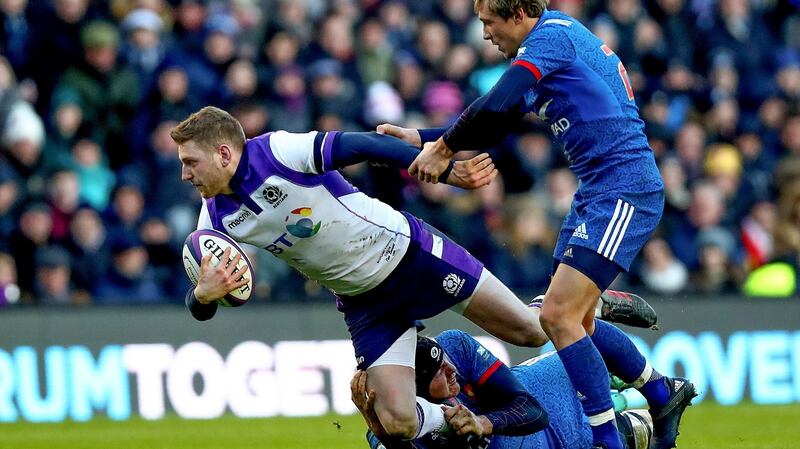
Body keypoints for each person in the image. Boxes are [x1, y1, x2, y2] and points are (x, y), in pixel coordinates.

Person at [173, 106, 658, 447]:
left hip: (408, 254)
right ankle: (462, 423)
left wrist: (443, 172)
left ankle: (587, 302)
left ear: (222, 153)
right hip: (365, 303)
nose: (185, 175)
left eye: (190, 162)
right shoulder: (213, 221)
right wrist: (203, 295)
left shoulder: (278, 151)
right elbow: (203, 301)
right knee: (400, 421)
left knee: (533, 333)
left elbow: (361, 145)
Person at [376, 1, 694, 448]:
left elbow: (499, 101)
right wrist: (423, 138)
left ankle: (607, 440)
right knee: (568, 321)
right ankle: (662, 392)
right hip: (595, 192)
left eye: (489, 22)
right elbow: (495, 117)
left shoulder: (550, 39)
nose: (485, 33)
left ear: (520, 12)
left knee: (558, 315)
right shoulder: (543, 54)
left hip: (624, 187)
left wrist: (445, 147)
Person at [353, 330, 684, 449]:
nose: (450, 368)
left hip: (545, 393)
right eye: (438, 371)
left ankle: (656, 388)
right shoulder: (390, 429)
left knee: (577, 332)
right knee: (634, 430)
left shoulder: (455, 347)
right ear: (417, 390)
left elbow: (531, 410)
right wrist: (378, 427)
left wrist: (484, 423)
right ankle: (627, 411)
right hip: (561, 437)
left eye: (445, 360)